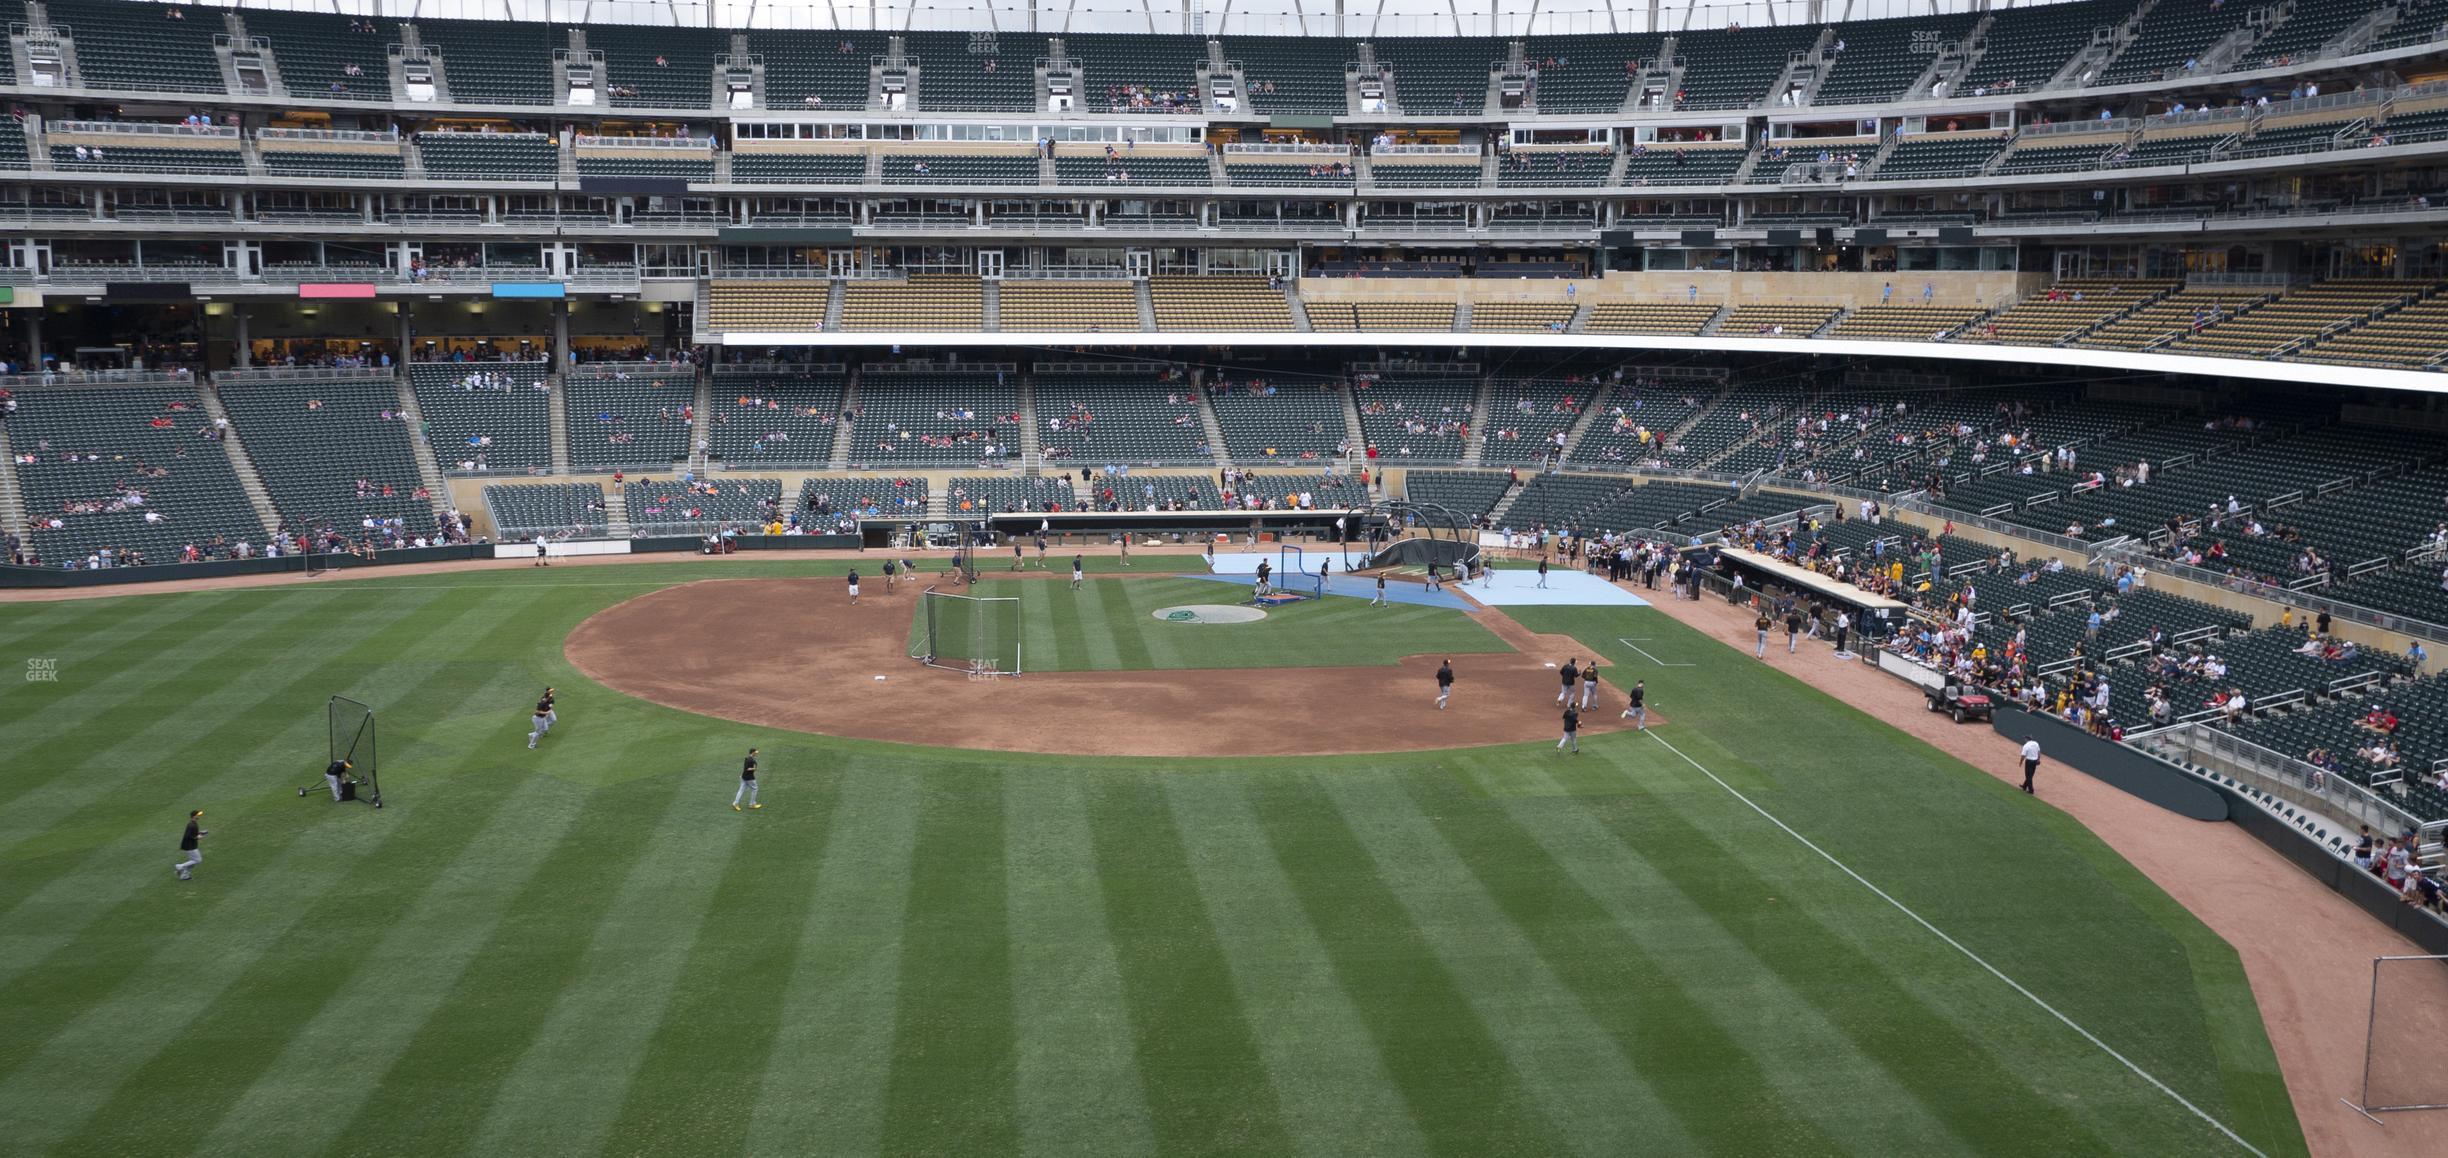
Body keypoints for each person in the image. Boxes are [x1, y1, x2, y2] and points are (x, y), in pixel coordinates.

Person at [174, 810, 207, 880]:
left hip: (191, 845)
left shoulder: (193, 823)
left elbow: (192, 834)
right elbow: (187, 836)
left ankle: (184, 876)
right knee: (198, 860)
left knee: (192, 862)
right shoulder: (191, 825)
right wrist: (197, 837)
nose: (199, 816)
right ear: (194, 816)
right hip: (189, 846)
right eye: (198, 815)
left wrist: (200, 833)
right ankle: (180, 866)